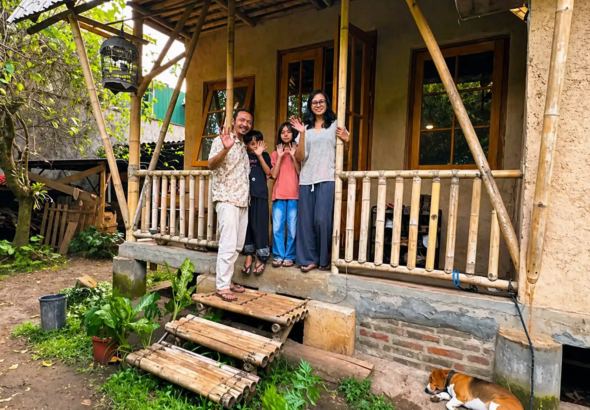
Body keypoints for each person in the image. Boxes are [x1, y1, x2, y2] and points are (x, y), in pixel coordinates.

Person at [291, 90, 349, 273]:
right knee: (306, 223)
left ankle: (324, 259)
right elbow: (300, 157)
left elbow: (343, 152)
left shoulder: (335, 124)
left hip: (327, 177)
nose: (318, 105)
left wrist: (347, 140)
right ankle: (309, 259)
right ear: (310, 106)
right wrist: (301, 134)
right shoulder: (305, 128)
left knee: (322, 220)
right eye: (314, 102)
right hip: (307, 179)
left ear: (327, 103)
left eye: (321, 101)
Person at [208, 108, 254, 301]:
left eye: (249, 122)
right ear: (233, 121)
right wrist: (226, 148)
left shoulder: (243, 146)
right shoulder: (222, 140)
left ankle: (227, 281)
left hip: (242, 201)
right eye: (242, 120)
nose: (245, 124)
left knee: (237, 245)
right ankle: (222, 286)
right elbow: (211, 164)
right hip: (227, 199)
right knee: (227, 243)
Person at [242, 130, 272, 275]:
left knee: (260, 226)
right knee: (247, 226)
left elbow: (268, 172)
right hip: (245, 196)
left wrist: (259, 155)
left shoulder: (264, 156)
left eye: (257, 143)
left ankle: (262, 256)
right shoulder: (243, 157)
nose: (254, 146)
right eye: (252, 143)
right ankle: (249, 255)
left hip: (260, 195)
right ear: (246, 145)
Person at [270, 122, 300, 268]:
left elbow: (300, 172)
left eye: (288, 131)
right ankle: (278, 255)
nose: (286, 134)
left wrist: (293, 156)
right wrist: (280, 156)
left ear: (293, 134)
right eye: (283, 132)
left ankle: (290, 256)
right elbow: (274, 175)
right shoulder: (275, 153)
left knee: (293, 229)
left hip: (294, 195)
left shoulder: (298, 151)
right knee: (277, 228)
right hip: (279, 195)